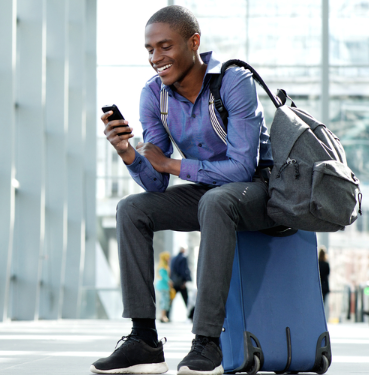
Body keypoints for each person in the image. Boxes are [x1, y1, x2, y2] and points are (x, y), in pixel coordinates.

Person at [90, 5, 275, 375]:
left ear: (194, 43)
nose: (156, 58)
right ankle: (144, 339)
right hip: (210, 196)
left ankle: (207, 341)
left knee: (217, 200)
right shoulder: (153, 96)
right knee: (132, 209)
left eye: (165, 46)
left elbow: (243, 166)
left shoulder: (233, 81)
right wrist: (127, 152)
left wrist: (173, 164)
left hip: (258, 192)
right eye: (149, 49)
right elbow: (156, 182)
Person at [169, 247, 193, 319]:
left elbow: (171, 270)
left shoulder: (173, 258)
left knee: (171, 299)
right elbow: (183, 270)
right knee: (187, 300)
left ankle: (166, 315)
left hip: (174, 282)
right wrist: (185, 280)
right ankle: (191, 316)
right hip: (181, 283)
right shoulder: (183, 258)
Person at [155, 252, 172, 323]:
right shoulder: (162, 266)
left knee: (165, 301)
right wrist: (169, 281)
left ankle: (163, 316)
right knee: (163, 301)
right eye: (167, 257)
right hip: (163, 286)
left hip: (165, 286)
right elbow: (163, 276)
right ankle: (163, 316)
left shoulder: (165, 266)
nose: (169, 259)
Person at [318, 246, 330, 319]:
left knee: (318, 303)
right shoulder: (326, 264)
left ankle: (318, 317)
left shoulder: (317, 263)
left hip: (318, 285)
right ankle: (322, 317)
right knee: (323, 303)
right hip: (324, 286)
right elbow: (328, 273)